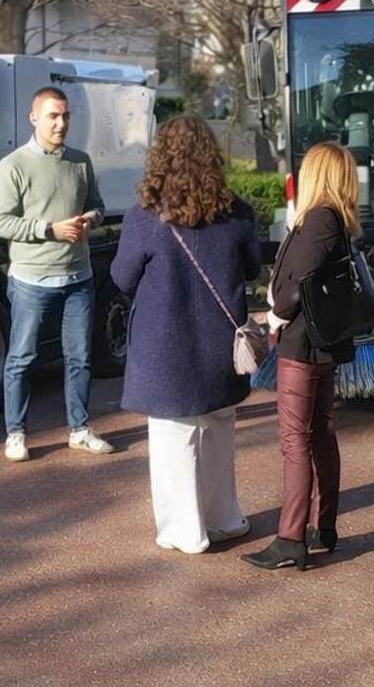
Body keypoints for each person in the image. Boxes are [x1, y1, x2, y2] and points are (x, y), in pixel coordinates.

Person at [110, 116, 260, 553]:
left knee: (175, 440)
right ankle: (224, 519)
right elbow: (252, 269)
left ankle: (185, 530)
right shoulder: (238, 214)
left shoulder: (144, 219)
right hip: (221, 345)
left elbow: (121, 278)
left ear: (160, 160)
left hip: (166, 348)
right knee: (219, 430)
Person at [245, 141, 360, 571]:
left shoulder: (319, 220)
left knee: (295, 439)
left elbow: (300, 284)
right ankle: (321, 526)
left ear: (316, 173)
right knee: (320, 433)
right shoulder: (333, 219)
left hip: (302, 344)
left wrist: (274, 317)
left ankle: (291, 537)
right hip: (322, 343)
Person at [0, 86, 116, 462]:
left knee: (80, 357)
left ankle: (79, 429)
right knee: (22, 358)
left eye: (65, 116)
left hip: (79, 277)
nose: (60, 124)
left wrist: (90, 219)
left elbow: (97, 205)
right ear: (34, 118)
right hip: (31, 279)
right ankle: (16, 433)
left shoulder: (80, 161)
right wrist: (50, 229)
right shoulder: (14, 165)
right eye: (52, 116)